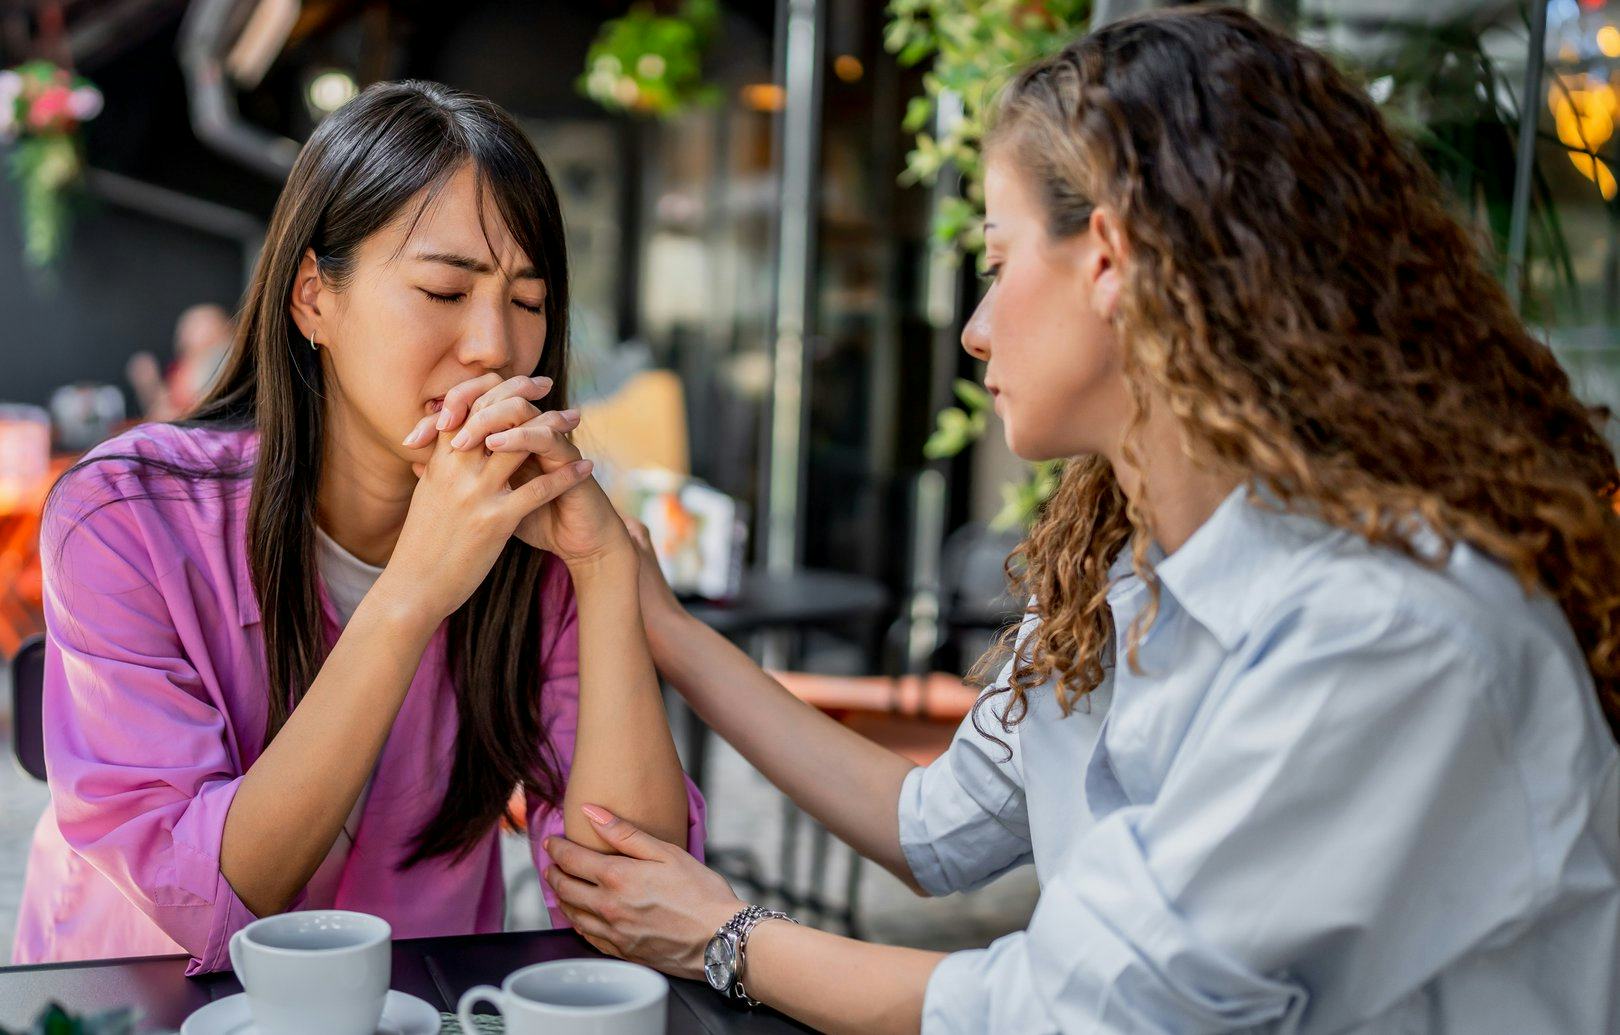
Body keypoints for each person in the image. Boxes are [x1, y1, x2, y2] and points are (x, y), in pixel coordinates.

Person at [475, 9, 1617, 1033]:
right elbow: (932, 827)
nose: (974, 329)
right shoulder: (1136, 568)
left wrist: (723, 937)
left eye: (998, 258)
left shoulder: (1389, 631)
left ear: (1109, 259)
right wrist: (641, 599)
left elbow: (1076, 1013)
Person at [12, 80, 703, 972]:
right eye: (445, 289)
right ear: (313, 300)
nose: (495, 344)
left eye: (528, 302)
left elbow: (637, 898)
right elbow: (208, 901)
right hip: (142, 1004)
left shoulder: (539, 545)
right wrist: (415, 588)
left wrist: (604, 570)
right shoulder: (126, 518)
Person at [126, 303, 234, 421]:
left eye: (195, 326)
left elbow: (172, 417)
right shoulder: (184, 367)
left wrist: (151, 385)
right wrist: (149, 384)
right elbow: (164, 412)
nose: (183, 334)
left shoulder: (220, 363)